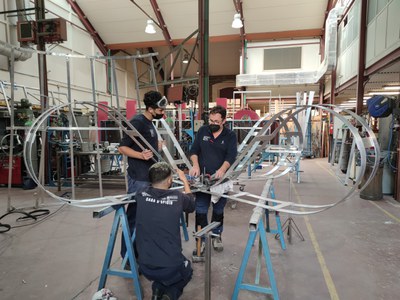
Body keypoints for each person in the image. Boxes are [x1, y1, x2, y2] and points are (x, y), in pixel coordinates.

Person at [118, 90, 168, 259]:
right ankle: (128, 258)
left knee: (145, 218)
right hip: (138, 178)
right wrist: (141, 155)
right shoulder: (137, 122)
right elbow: (122, 147)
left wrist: (156, 147)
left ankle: (139, 254)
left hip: (148, 177)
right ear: (150, 108)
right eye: (160, 110)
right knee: (134, 218)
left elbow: (144, 145)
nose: (163, 113)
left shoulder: (150, 122)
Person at [135, 162, 195, 300]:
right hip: (170, 267)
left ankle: (157, 289)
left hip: (144, 266)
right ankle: (170, 294)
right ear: (170, 180)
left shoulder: (140, 194)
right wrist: (185, 180)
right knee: (188, 269)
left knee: (161, 272)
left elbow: (149, 191)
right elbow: (191, 205)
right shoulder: (178, 197)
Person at [189, 105, 237, 253]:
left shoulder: (230, 135)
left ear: (223, 121)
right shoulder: (203, 130)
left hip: (220, 180)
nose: (213, 124)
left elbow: (231, 156)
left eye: (217, 121)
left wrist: (222, 170)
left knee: (218, 210)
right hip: (203, 179)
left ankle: (216, 235)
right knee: (201, 210)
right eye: (211, 120)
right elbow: (194, 150)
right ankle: (201, 240)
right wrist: (195, 165)